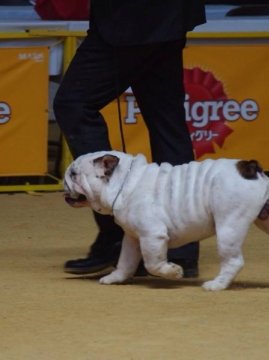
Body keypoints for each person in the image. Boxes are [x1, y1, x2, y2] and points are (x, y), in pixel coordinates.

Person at [53, 0, 206, 278]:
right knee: (166, 122)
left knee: (74, 103)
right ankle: (181, 249)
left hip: (130, 17)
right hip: (170, 16)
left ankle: (119, 234)